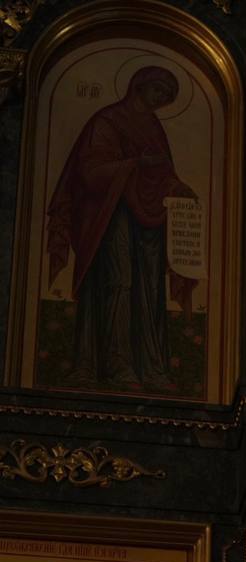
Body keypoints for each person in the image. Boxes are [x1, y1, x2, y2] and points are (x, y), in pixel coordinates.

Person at [46, 66, 200, 391]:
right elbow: (89, 171)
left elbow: (162, 174)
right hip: (111, 215)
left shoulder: (154, 128)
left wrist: (179, 187)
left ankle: (151, 369)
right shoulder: (107, 121)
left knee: (149, 290)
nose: (160, 98)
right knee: (119, 283)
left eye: (166, 95)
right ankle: (116, 364)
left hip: (147, 222)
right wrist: (134, 164)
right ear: (138, 86)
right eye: (157, 90)